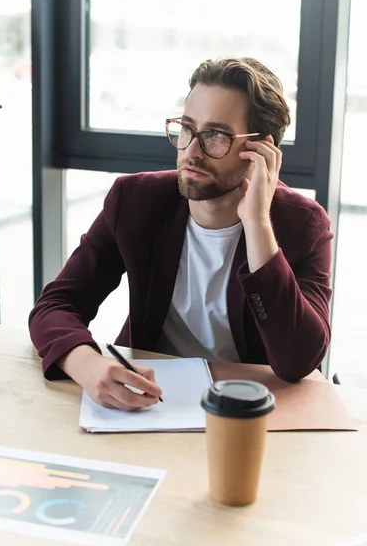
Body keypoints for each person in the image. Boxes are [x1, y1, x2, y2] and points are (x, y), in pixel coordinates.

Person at [29, 57, 333, 411]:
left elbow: (298, 361)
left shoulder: (304, 225)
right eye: (186, 128)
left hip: (247, 411)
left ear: (260, 151)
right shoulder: (136, 200)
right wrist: (86, 364)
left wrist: (258, 225)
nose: (190, 150)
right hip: (146, 401)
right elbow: (55, 305)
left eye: (215, 136)